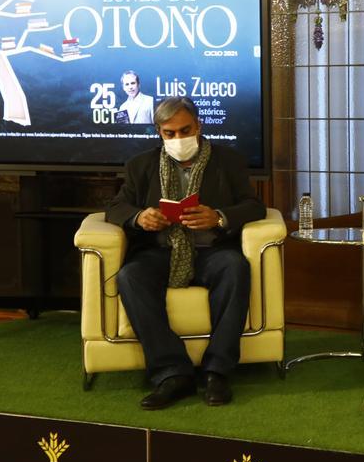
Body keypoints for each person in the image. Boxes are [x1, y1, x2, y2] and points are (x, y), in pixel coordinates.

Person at [105, 96, 266, 410]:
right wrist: (139, 217)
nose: (178, 139)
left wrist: (218, 216)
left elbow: (254, 205)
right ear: (159, 133)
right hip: (160, 251)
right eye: (170, 133)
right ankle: (172, 373)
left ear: (199, 126)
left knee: (235, 268)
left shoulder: (228, 160)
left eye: (185, 130)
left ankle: (217, 372)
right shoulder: (140, 165)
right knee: (130, 276)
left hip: (211, 250)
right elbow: (115, 206)